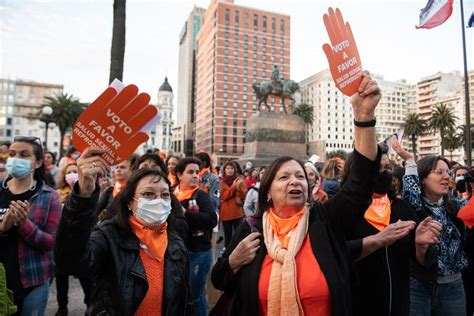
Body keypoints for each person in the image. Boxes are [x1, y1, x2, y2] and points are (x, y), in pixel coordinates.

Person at [211, 72, 381, 315]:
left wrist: (364, 117)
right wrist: (233, 261)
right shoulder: (251, 230)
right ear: (267, 190)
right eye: (284, 177)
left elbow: (360, 184)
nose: (295, 181)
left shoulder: (324, 221)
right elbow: (219, 280)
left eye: (300, 176)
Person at [54, 148, 194, 315]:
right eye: (148, 194)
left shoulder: (175, 244)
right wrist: (83, 196)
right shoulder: (109, 236)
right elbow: (71, 261)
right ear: (129, 202)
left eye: (165, 195)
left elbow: (185, 302)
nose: (158, 201)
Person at [344, 151, 441, 315]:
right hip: (356, 305)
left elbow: (420, 263)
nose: (384, 172)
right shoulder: (343, 210)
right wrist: (377, 240)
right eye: (377, 167)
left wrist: (420, 246)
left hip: (398, 305)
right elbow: (335, 253)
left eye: (387, 167)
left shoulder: (400, 207)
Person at [391, 136, 469, 315]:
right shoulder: (413, 205)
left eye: (448, 172)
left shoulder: (457, 206)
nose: (446, 177)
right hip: (418, 286)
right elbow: (409, 184)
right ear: (423, 179)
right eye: (439, 172)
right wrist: (409, 158)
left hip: (453, 287)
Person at [0, 136, 61, 315]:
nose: (16, 158)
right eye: (12, 154)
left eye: (24, 155)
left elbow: (50, 242)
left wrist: (23, 224)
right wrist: (4, 227)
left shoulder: (49, 196)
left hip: (32, 279)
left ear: (37, 163)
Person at [174, 157, 218, 316]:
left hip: (198, 253)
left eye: (197, 172)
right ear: (179, 175)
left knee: (195, 296)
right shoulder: (172, 195)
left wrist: (186, 214)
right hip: (177, 253)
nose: (195, 176)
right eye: (190, 172)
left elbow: (211, 219)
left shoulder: (201, 196)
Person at [54, 162, 92, 315]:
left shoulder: (89, 194)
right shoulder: (57, 194)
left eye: (75, 171)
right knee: (61, 276)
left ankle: (90, 304)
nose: (71, 175)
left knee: (86, 276)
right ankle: (62, 306)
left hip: (82, 241)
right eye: (68, 172)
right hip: (62, 242)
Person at [96, 155, 137, 222]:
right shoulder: (109, 191)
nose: (118, 170)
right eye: (117, 167)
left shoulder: (136, 192)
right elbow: (95, 211)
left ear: (132, 170)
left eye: (122, 167)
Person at [220, 161, 247, 247]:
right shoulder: (221, 182)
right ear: (224, 170)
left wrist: (239, 188)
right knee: (227, 236)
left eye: (232, 168)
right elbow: (224, 196)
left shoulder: (239, 180)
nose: (230, 170)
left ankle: (238, 251)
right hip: (226, 213)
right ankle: (227, 253)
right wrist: (234, 187)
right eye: (228, 168)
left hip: (237, 212)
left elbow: (243, 195)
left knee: (238, 235)